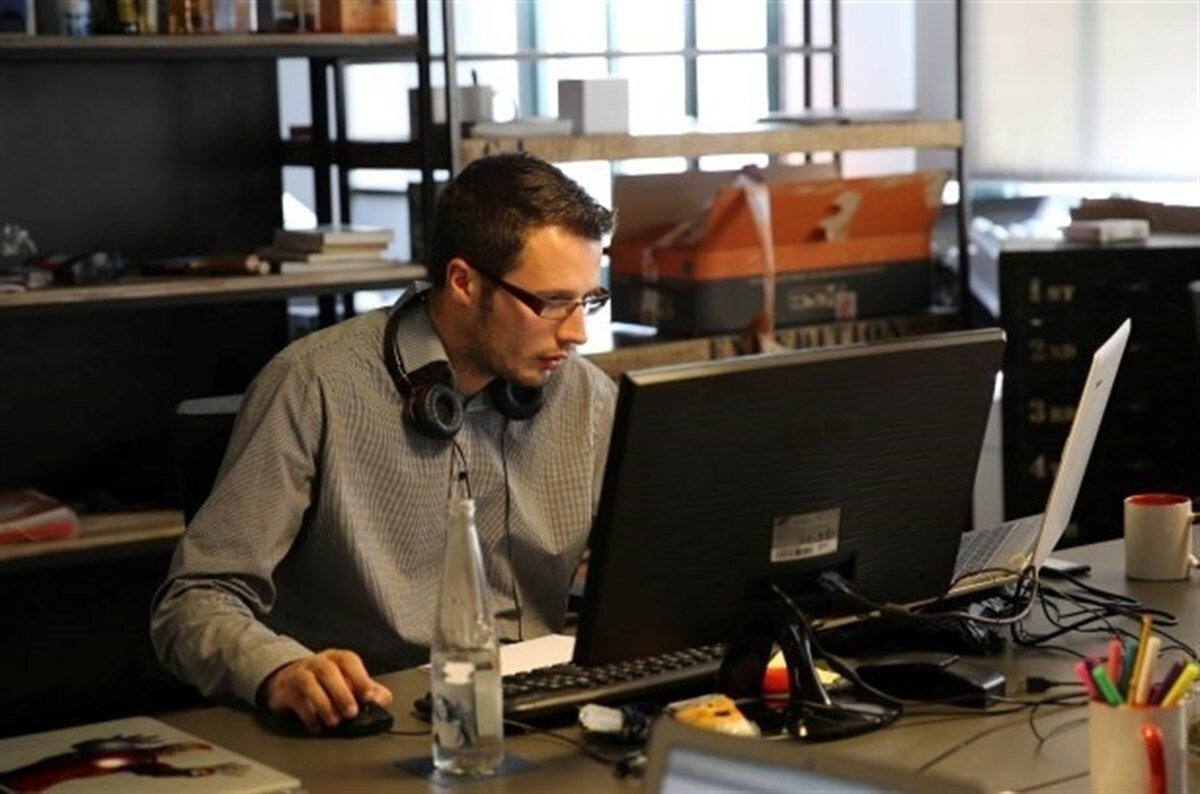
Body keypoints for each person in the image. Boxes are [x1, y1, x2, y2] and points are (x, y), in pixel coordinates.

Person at [151, 153, 618, 734]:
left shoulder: (587, 398)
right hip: (374, 722)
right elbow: (193, 600)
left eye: (588, 300)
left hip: (548, 714)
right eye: (550, 303)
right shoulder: (313, 385)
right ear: (464, 282)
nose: (578, 333)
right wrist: (278, 670)